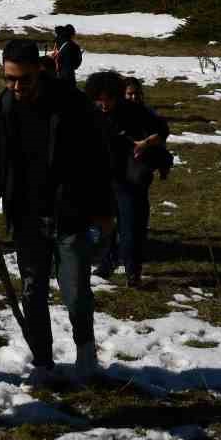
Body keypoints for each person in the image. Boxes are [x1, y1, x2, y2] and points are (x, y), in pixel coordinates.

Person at [0, 38, 115, 385]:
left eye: (23, 78)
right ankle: (43, 361)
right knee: (32, 290)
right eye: (9, 78)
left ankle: (86, 354)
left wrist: (102, 209)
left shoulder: (72, 104)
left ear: (39, 69)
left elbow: (99, 159)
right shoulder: (4, 107)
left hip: (69, 211)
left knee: (74, 289)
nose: (16, 86)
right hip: (25, 214)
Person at [86, 71, 172, 287]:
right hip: (103, 177)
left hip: (131, 177)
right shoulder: (91, 114)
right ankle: (107, 264)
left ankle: (133, 273)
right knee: (106, 226)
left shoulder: (134, 111)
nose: (104, 104)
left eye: (108, 99)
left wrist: (145, 143)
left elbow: (162, 129)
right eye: (99, 100)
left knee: (132, 226)